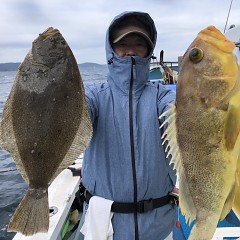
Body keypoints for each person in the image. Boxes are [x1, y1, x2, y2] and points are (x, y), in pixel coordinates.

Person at [75, 11, 177, 240]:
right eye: (123, 44)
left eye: (139, 44)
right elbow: (78, 117)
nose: (131, 50)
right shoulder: (94, 97)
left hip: (158, 228)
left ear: (148, 51)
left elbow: (179, 115)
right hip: (104, 228)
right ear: (110, 49)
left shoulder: (163, 97)